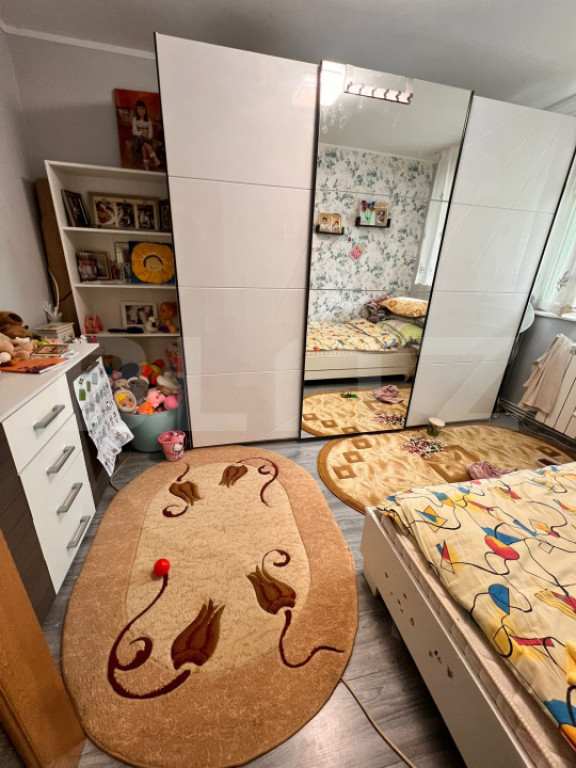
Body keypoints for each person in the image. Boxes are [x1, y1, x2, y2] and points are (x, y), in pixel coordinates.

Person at [132, 100, 162, 170]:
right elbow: (135, 132)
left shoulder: (148, 121)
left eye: (142, 109)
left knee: (143, 146)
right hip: (138, 140)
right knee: (142, 141)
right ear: (136, 110)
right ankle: (155, 158)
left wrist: (148, 137)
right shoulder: (135, 119)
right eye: (139, 109)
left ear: (145, 110)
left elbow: (150, 133)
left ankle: (146, 167)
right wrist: (142, 133)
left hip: (146, 140)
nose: (141, 110)